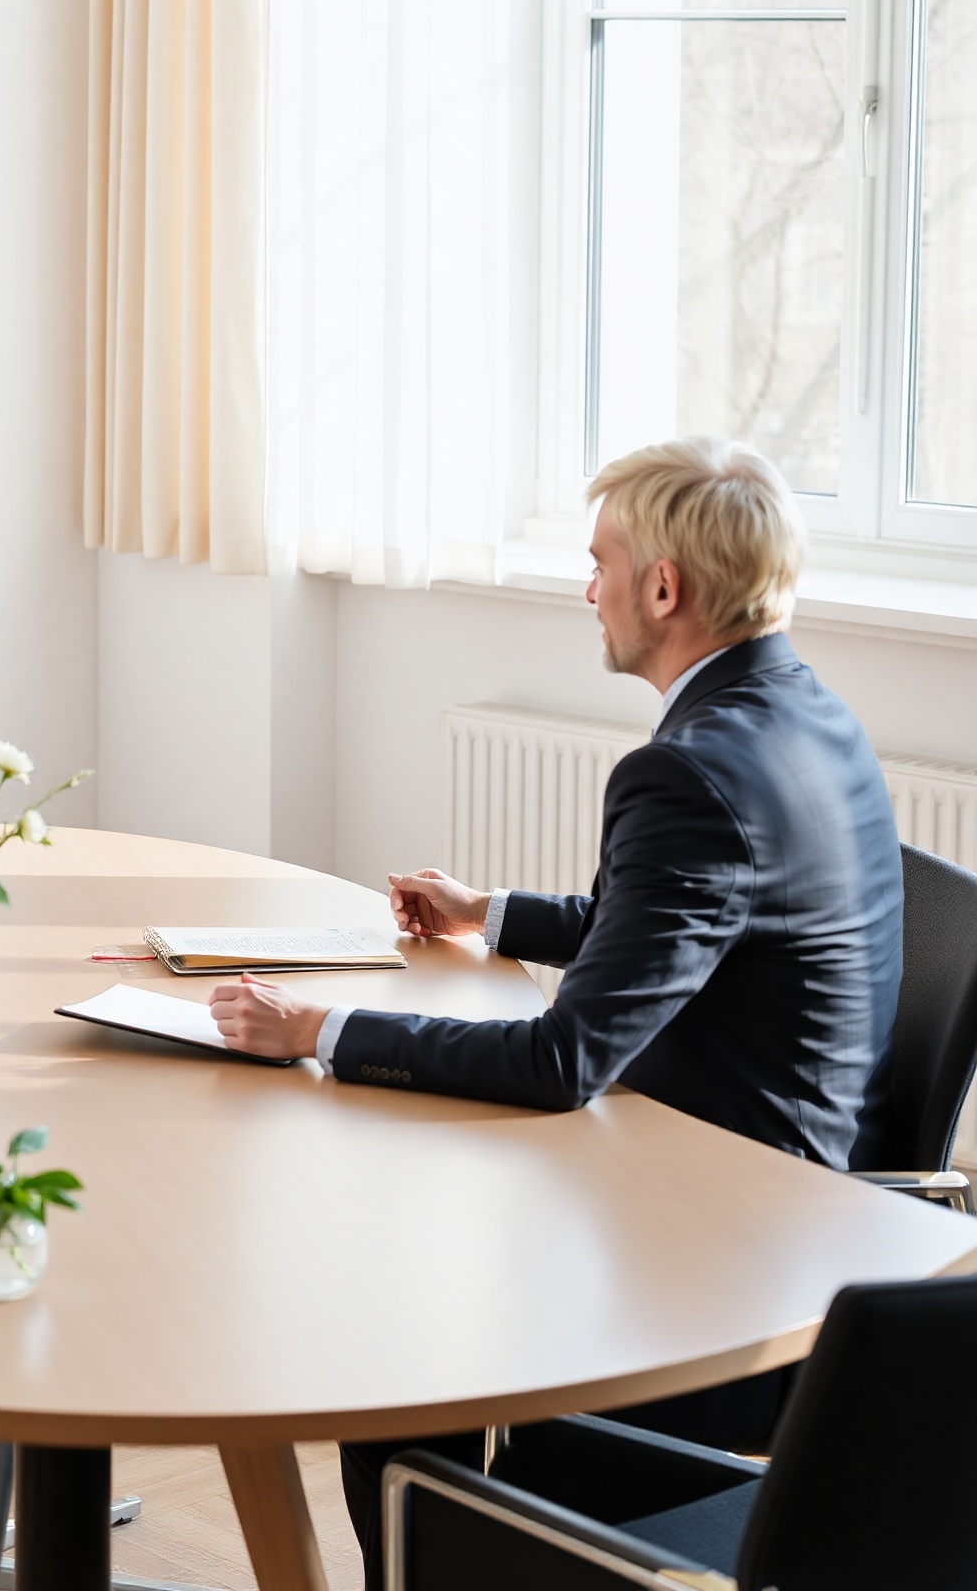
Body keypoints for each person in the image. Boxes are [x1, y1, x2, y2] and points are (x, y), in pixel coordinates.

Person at [205, 437, 902, 1591]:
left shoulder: (687, 770)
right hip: (801, 1213)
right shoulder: (799, 712)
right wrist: (496, 916)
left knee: (390, 1321)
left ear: (662, 587)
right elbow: (693, 926)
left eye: (599, 564)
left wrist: (312, 1032)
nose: (588, 590)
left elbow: (559, 1058)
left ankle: (429, 1557)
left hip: (708, 1257)